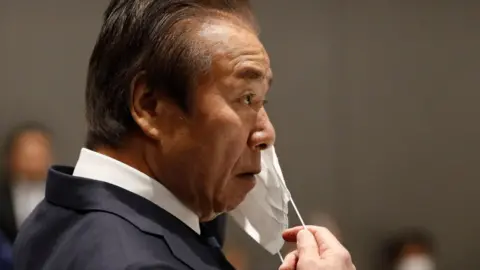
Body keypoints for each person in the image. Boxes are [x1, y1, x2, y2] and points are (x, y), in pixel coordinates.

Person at [14, 1, 355, 269]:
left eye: (263, 101)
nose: (267, 133)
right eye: (246, 98)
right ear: (150, 106)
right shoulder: (135, 262)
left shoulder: (63, 207)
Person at [0, 123, 52, 244]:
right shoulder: (3, 197)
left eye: (40, 147)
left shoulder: (64, 195)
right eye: (27, 148)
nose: (33, 155)